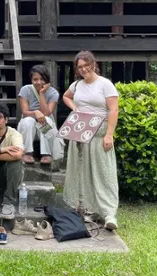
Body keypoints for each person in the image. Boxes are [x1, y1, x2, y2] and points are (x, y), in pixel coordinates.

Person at [62, 51, 120, 231]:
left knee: (103, 172)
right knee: (82, 172)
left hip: (99, 134)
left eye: (86, 65)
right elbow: (66, 96)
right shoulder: (77, 85)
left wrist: (109, 134)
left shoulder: (105, 84)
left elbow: (113, 110)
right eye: (80, 67)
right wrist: (76, 109)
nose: (84, 69)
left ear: (94, 64)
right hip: (80, 133)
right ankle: (89, 209)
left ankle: (109, 213)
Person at [16, 64, 60, 165]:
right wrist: (35, 112)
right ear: (31, 80)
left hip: (45, 128)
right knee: (28, 121)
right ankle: (27, 152)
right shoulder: (25, 89)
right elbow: (25, 112)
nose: (38, 82)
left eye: (42, 79)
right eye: (35, 79)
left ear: (47, 79)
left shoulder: (53, 93)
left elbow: (46, 113)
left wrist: (42, 93)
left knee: (46, 119)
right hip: (28, 126)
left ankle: (46, 153)